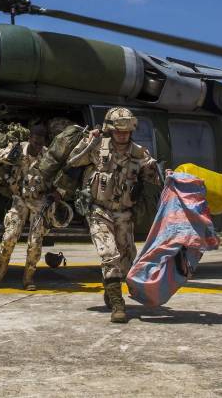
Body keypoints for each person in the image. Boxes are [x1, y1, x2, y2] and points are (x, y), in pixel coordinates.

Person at [64, 107, 160, 323]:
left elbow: (154, 176)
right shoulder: (97, 147)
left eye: (126, 132)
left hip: (124, 214)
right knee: (109, 255)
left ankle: (110, 289)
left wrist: (166, 175)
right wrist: (87, 141)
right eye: (118, 131)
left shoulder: (138, 153)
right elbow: (73, 161)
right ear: (109, 129)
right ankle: (118, 305)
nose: (122, 135)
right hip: (99, 211)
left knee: (127, 261)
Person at [0, 124, 49, 290]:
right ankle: (1, 269)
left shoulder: (47, 155)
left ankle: (28, 277)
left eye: (40, 143)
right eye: (34, 142)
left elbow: (58, 174)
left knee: (35, 242)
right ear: (30, 139)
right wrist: (9, 155)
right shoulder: (18, 149)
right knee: (10, 236)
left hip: (38, 201)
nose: (37, 146)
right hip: (19, 200)